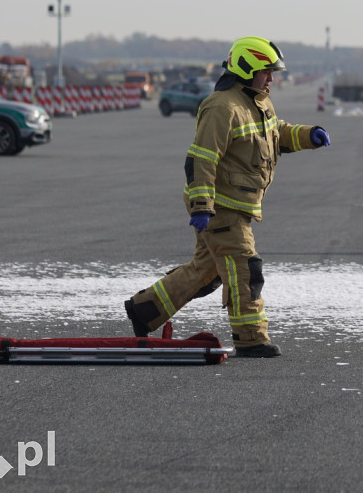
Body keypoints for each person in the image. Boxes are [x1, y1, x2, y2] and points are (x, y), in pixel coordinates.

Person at [124, 36, 331, 358]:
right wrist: (202, 206)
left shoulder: (257, 102)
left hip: (238, 205)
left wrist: (307, 136)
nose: (272, 79)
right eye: (267, 72)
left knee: (206, 272)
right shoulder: (221, 107)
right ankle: (251, 338)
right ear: (248, 70)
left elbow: (276, 135)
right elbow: (201, 159)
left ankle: (144, 310)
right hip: (222, 208)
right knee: (245, 269)